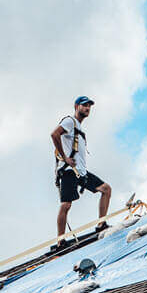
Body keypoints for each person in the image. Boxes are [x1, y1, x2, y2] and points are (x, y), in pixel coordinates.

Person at [51, 95, 112, 248]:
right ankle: (61, 240)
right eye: (84, 105)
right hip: (69, 171)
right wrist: (65, 158)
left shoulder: (78, 127)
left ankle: (101, 224)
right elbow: (54, 134)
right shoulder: (69, 121)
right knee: (66, 205)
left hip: (80, 171)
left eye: (89, 106)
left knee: (106, 189)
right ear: (76, 106)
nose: (87, 108)